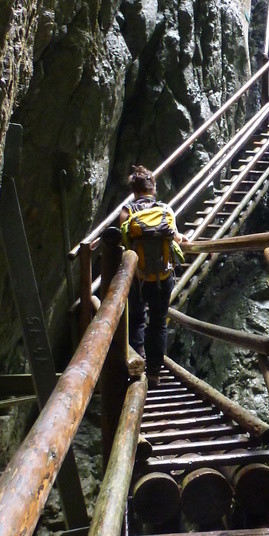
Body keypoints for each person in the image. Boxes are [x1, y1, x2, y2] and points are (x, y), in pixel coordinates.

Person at [119, 166, 186, 387]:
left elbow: (124, 244)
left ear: (133, 190)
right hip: (162, 276)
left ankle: (137, 366)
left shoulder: (126, 212)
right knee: (158, 322)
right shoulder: (165, 209)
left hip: (137, 278)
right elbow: (175, 239)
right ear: (153, 188)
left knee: (136, 320)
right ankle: (155, 372)